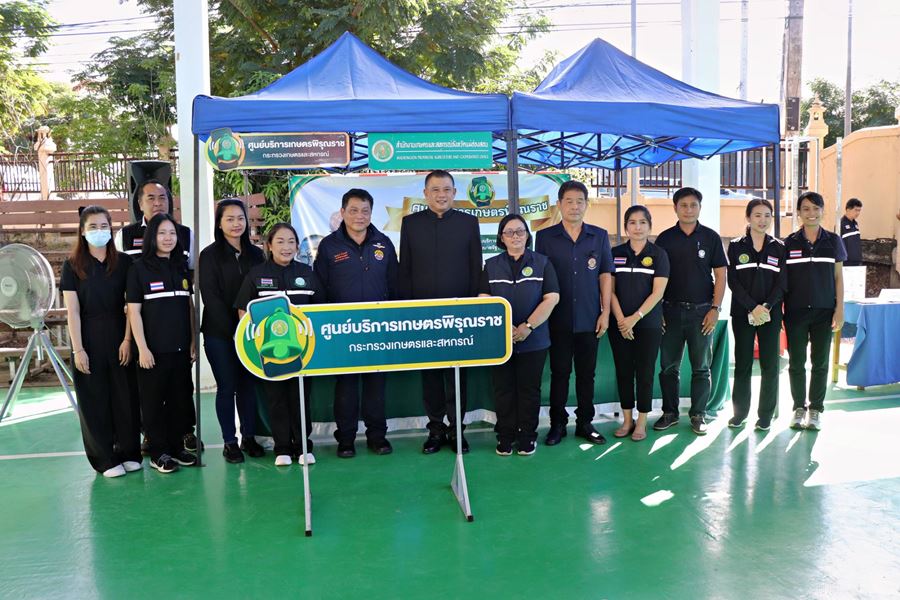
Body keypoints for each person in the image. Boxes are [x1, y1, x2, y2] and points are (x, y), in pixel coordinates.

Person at [398, 170, 483, 455]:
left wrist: (472, 310)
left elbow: (475, 268)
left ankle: (457, 429)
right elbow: (405, 269)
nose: (441, 195)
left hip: (460, 315)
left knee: (458, 375)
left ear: (454, 193)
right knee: (431, 375)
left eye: (446, 189)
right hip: (424, 314)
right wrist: (408, 310)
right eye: (435, 190)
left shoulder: (468, 223)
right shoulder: (410, 224)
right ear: (425, 193)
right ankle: (435, 429)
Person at [115, 179, 199, 455]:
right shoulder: (138, 268)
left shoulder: (180, 266)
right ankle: (156, 449)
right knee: (151, 400)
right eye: (162, 233)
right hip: (151, 349)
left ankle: (178, 445)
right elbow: (134, 310)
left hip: (179, 347)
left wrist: (192, 340)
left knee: (179, 397)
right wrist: (140, 346)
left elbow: (189, 305)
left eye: (172, 233)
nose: (168, 238)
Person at [314, 189, 397, 458]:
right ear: (342, 212)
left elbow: (395, 285)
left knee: (376, 385)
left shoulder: (384, 243)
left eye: (365, 211)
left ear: (371, 213)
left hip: (378, 328)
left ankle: (377, 437)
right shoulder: (329, 246)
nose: (359, 216)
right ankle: (346, 439)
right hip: (343, 329)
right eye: (353, 210)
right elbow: (320, 288)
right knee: (346, 386)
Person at [234, 223, 324, 466]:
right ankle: (282, 448)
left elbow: (320, 309)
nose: (287, 247)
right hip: (269, 353)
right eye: (280, 241)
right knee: (276, 400)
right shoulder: (256, 274)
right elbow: (243, 311)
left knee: (300, 398)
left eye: (291, 241)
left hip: (302, 352)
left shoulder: (307, 273)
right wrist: (252, 343)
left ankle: (303, 446)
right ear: (269, 246)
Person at [61, 206, 141, 478]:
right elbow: (72, 311)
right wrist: (78, 349)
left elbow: (131, 305)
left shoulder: (124, 263)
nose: (99, 231)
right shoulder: (72, 266)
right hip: (88, 337)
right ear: (82, 232)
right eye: (92, 226)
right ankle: (105, 459)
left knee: (125, 396)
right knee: (94, 400)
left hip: (119, 335)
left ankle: (129, 452)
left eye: (104, 226)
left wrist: (128, 339)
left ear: (111, 228)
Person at [535, 180, 614, 446]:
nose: (574, 206)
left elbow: (605, 275)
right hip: (556, 319)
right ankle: (557, 424)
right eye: (569, 201)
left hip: (590, 318)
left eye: (580, 201)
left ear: (586, 205)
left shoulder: (599, 236)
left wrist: (605, 312)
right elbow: (540, 279)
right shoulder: (545, 237)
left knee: (586, 374)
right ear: (559, 204)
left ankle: (585, 423)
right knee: (559, 374)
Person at [479, 215, 560, 456]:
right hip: (499, 340)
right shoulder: (491, 265)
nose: (515, 236)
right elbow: (483, 298)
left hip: (534, 340)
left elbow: (552, 298)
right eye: (509, 232)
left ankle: (527, 436)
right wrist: (505, 327)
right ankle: (505, 436)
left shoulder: (543, 263)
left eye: (520, 231)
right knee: (503, 389)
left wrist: (527, 326)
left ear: (527, 235)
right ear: (501, 238)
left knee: (529, 390)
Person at [653, 187, 728, 435]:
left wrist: (715, 308)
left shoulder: (711, 238)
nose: (688, 210)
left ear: (699, 208)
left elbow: (721, 275)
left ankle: (698, 414)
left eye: (693, 205)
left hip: (702, 313)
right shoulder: (665, 239)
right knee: (668, 368)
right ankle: (670, 413)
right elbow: (656, 278)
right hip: (670, 312)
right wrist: (658, 311)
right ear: (675, 208)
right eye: (683, 205)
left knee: (701, 368)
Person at [199, 198, 266, 463]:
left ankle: (249, 437)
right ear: (219, 223)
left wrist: (250, 330)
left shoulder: (256, 254)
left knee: (248, 386)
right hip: (220, 334)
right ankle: (229, 441)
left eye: (240, 218)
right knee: (227, 387)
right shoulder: (209, 255)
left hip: (251, 333)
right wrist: (235, 330)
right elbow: (211, 297)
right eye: (230, 219)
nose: (236, 223)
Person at [784, 191, 846, 431]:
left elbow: (838, 277)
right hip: (795, 312)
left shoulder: (834, 241)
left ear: (822, 211)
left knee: (820, 363)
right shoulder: (789, 243)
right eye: (806, 209)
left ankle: (816, 410)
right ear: (799, 213)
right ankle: (799, 408)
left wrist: (839, 309)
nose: (811, 213)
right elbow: (782, 281)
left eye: (816, 208)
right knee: (796, 363)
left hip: (824, 312)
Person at [609, 206, 669, 442]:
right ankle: (627, 420)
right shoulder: (614, 253)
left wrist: (635, 317)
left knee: (645, 373)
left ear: (649, 226)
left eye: (642, 222)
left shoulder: (659, 255)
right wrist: (621, 320)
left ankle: (642, 421)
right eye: (632, 222)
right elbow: (609, 290)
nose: (637, 227)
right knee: (623, 372)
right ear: (626, 227)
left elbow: (658, 292)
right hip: (619, 324)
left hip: (648, 325)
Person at [726, 199, 786, 431]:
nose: (763, 220)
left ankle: (765, 415)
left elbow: (782, 283)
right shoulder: (736, 246)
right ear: (748, 218)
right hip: (743, 313)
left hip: (770, 314)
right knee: (743, 364)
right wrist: (752, 307)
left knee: (770, 365)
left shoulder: (779, 247)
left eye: (767, 215)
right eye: (758, 215)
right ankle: (740, 413)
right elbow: (733, 281)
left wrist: (767, 307)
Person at [840, 198, 863, 267]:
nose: (858, 213)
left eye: (859, 210)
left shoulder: (855, 224)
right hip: (846, 263)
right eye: (856, 210)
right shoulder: (841, 224)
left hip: (856, 261)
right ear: (848, 209)